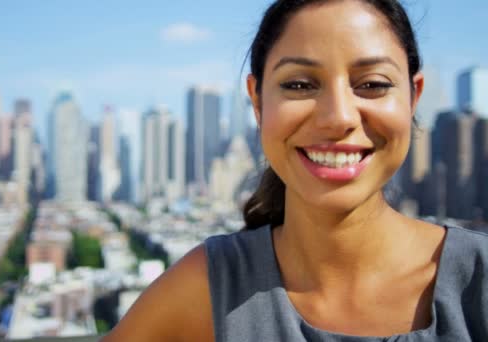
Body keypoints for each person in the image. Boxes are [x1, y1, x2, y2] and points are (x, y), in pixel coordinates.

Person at [102, 0, 488, 340]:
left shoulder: (479, 279)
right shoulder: (208, 286)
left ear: (412, 97)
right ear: (257, 100)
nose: (338, 117)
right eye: (300, 85)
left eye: (372, 84)